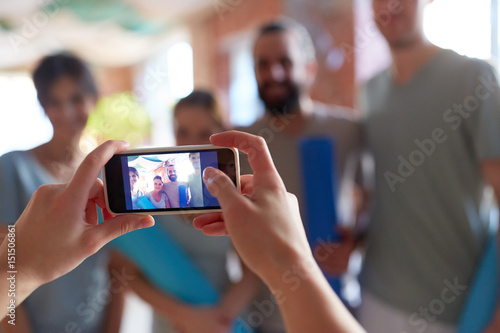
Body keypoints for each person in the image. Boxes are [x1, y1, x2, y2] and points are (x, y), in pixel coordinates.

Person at [0, 134, 366, 333]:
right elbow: (125, 273)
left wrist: (18, 266)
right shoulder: (12, 167)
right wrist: (19, 266)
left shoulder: (235, 209)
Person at [322, 0, 500, 332]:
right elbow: (379, 192)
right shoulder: (370, 91)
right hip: (375, 296)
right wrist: (355, 239)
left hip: (453, 310)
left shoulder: (476, 78)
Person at [237, 18, 362, 331]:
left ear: (309, 67)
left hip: (337, 305)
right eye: (262, 64)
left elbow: (374, 199)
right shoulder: (238, 142)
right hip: (266, 315)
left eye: (285, 62)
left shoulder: (348, 130)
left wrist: (356, 242)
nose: (273, 74)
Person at [120, 90, 262, 333]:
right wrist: (186, 317)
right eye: (182, 132)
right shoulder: (152, 192)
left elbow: (252, 272)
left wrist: (219, 319)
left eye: (203, 134)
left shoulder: (232, 195)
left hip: (223, 320)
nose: (190, 143)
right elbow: (129, 275)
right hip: (170, 322)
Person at [0, 53, 122, 332]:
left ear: (94, 99)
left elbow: (117, 269)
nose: (66, 112)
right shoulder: (11, 168)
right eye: (54, 102)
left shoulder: (107, 175)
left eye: (76, 99)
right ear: (43, 107)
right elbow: (5, 264)